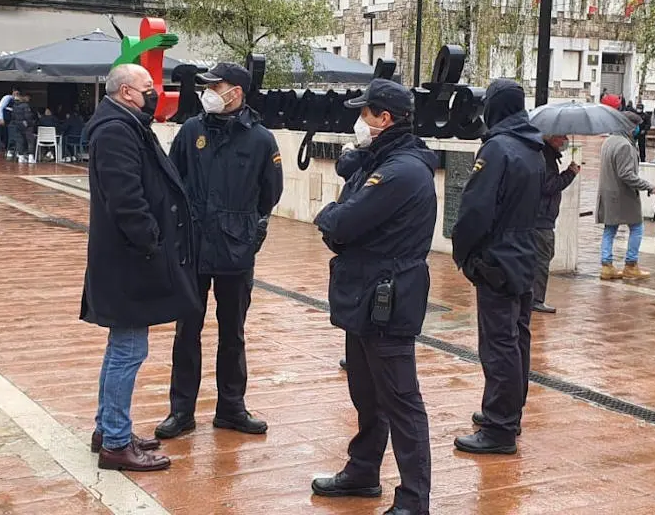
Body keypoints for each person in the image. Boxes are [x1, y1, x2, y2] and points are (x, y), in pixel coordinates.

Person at [310, 79, 436, 515]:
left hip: (387, 298)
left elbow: (342, 221)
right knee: (366, 393)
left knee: (401, 401)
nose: (359, 121)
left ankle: (413, 501)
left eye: (365, 113)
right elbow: (350, 209)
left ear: (385, 118)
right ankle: (363, 471)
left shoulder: (401, 171)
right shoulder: (380, 161)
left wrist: (328, 216)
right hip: (364, 294)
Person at [80, 64, 200, 472]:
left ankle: (108, 428)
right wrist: (151, 241)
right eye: (149, 88)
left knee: (122, 348)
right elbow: (126, 198)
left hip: (128, 258)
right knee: (129, 350)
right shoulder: (116, 131)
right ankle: (115, 442)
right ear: (128, 92)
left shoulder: (127, 123)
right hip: (130, 261)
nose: (156, 93)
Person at [155, 62, 284, 440]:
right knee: (186, 330)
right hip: (193, 248)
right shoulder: (192, 130)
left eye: (217, 85)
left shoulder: (261, 139)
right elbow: (172, 180)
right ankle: (181, 411)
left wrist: (246, 231)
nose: (209, 91)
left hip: (234, 250)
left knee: (233, 333)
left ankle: (231, 408)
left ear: (237, 93)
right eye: (208, 85)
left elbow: (270, 193)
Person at [451, 78, 545, 455]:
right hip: (524, 255)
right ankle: (507, 412)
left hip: (498, 258)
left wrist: (464, 255)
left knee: (499, 344)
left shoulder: (497, 150)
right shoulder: (533, 147)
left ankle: (500, 427)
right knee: (517, 339)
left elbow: (475, 211)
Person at [597, 112, 655, 281]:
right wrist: (649, 186)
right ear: (629, 126)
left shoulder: (608, 142)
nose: (638, 129)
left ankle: (606, 265)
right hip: (623, 195)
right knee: (637, 227)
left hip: (608, 193)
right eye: (636, 125)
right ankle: (631, 265)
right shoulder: (624, 145)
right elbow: (626, 175)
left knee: (610, 229)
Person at [532, 135, 579, 314]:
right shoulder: (546, 157)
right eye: (562, 137)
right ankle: (536, 299)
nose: (565, 141)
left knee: (544, 255)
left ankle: (530, 294)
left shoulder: (548, 155)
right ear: (552, 138)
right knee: (543, 258)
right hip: (541, 217)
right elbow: (549, 185)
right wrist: (570, 174)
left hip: (542, 216)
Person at [9, 93, 36, 164]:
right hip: (27, 126)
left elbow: (13, 117)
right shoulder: (25, 105)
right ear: (22, 97)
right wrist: (30, 123)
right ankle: (30, 157)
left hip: (18, 125)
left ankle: (20, 157)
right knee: (30, 141)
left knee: (19, 141)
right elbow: (28, 116)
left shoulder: (14, 106)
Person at [0, 89, 19, 157]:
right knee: (6, 134)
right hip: (6, 118)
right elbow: (0, 107)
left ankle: (12, 149)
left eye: (18, 93)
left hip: (13, 119)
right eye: (16, 92)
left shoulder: (17, 100)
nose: (16, 94)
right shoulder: (7, 98)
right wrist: (1, 118)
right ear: (13, 92)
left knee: (12, 133)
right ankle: (7, 149)